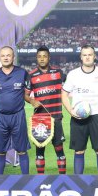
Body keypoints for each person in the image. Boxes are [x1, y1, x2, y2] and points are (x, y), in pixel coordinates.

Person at [62, 45, 98, 174]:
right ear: (81, 57)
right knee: (79, 151)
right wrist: (70, 111)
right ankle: (78, 181)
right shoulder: (73, 74)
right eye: (85, 55)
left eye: (90, 54)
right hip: (79, 118)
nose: (87, 57)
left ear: (95, 56)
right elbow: (64, 94)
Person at [0, 46, 31, 174]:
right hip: (0, 117)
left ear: (13, 57)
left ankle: (26, 180)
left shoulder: (22, 73)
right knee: (0, 151)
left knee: (22, 150)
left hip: (18, 116)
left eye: (8, 55)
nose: (6, 57)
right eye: (3, 55)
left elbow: (29, 93)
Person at [27, 45, 66, 174]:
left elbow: (70, 86)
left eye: (44, 56)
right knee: (40, 148)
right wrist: (32, 100)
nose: (42, 59)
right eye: (39, 57)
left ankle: (63, 177)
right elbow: (25, 94)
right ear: (36, 59)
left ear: (49, 57)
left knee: (59, 148)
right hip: (40, 118)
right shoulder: (31, 75)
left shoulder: (58, 72)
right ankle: (40, 178)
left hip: (56, 116)